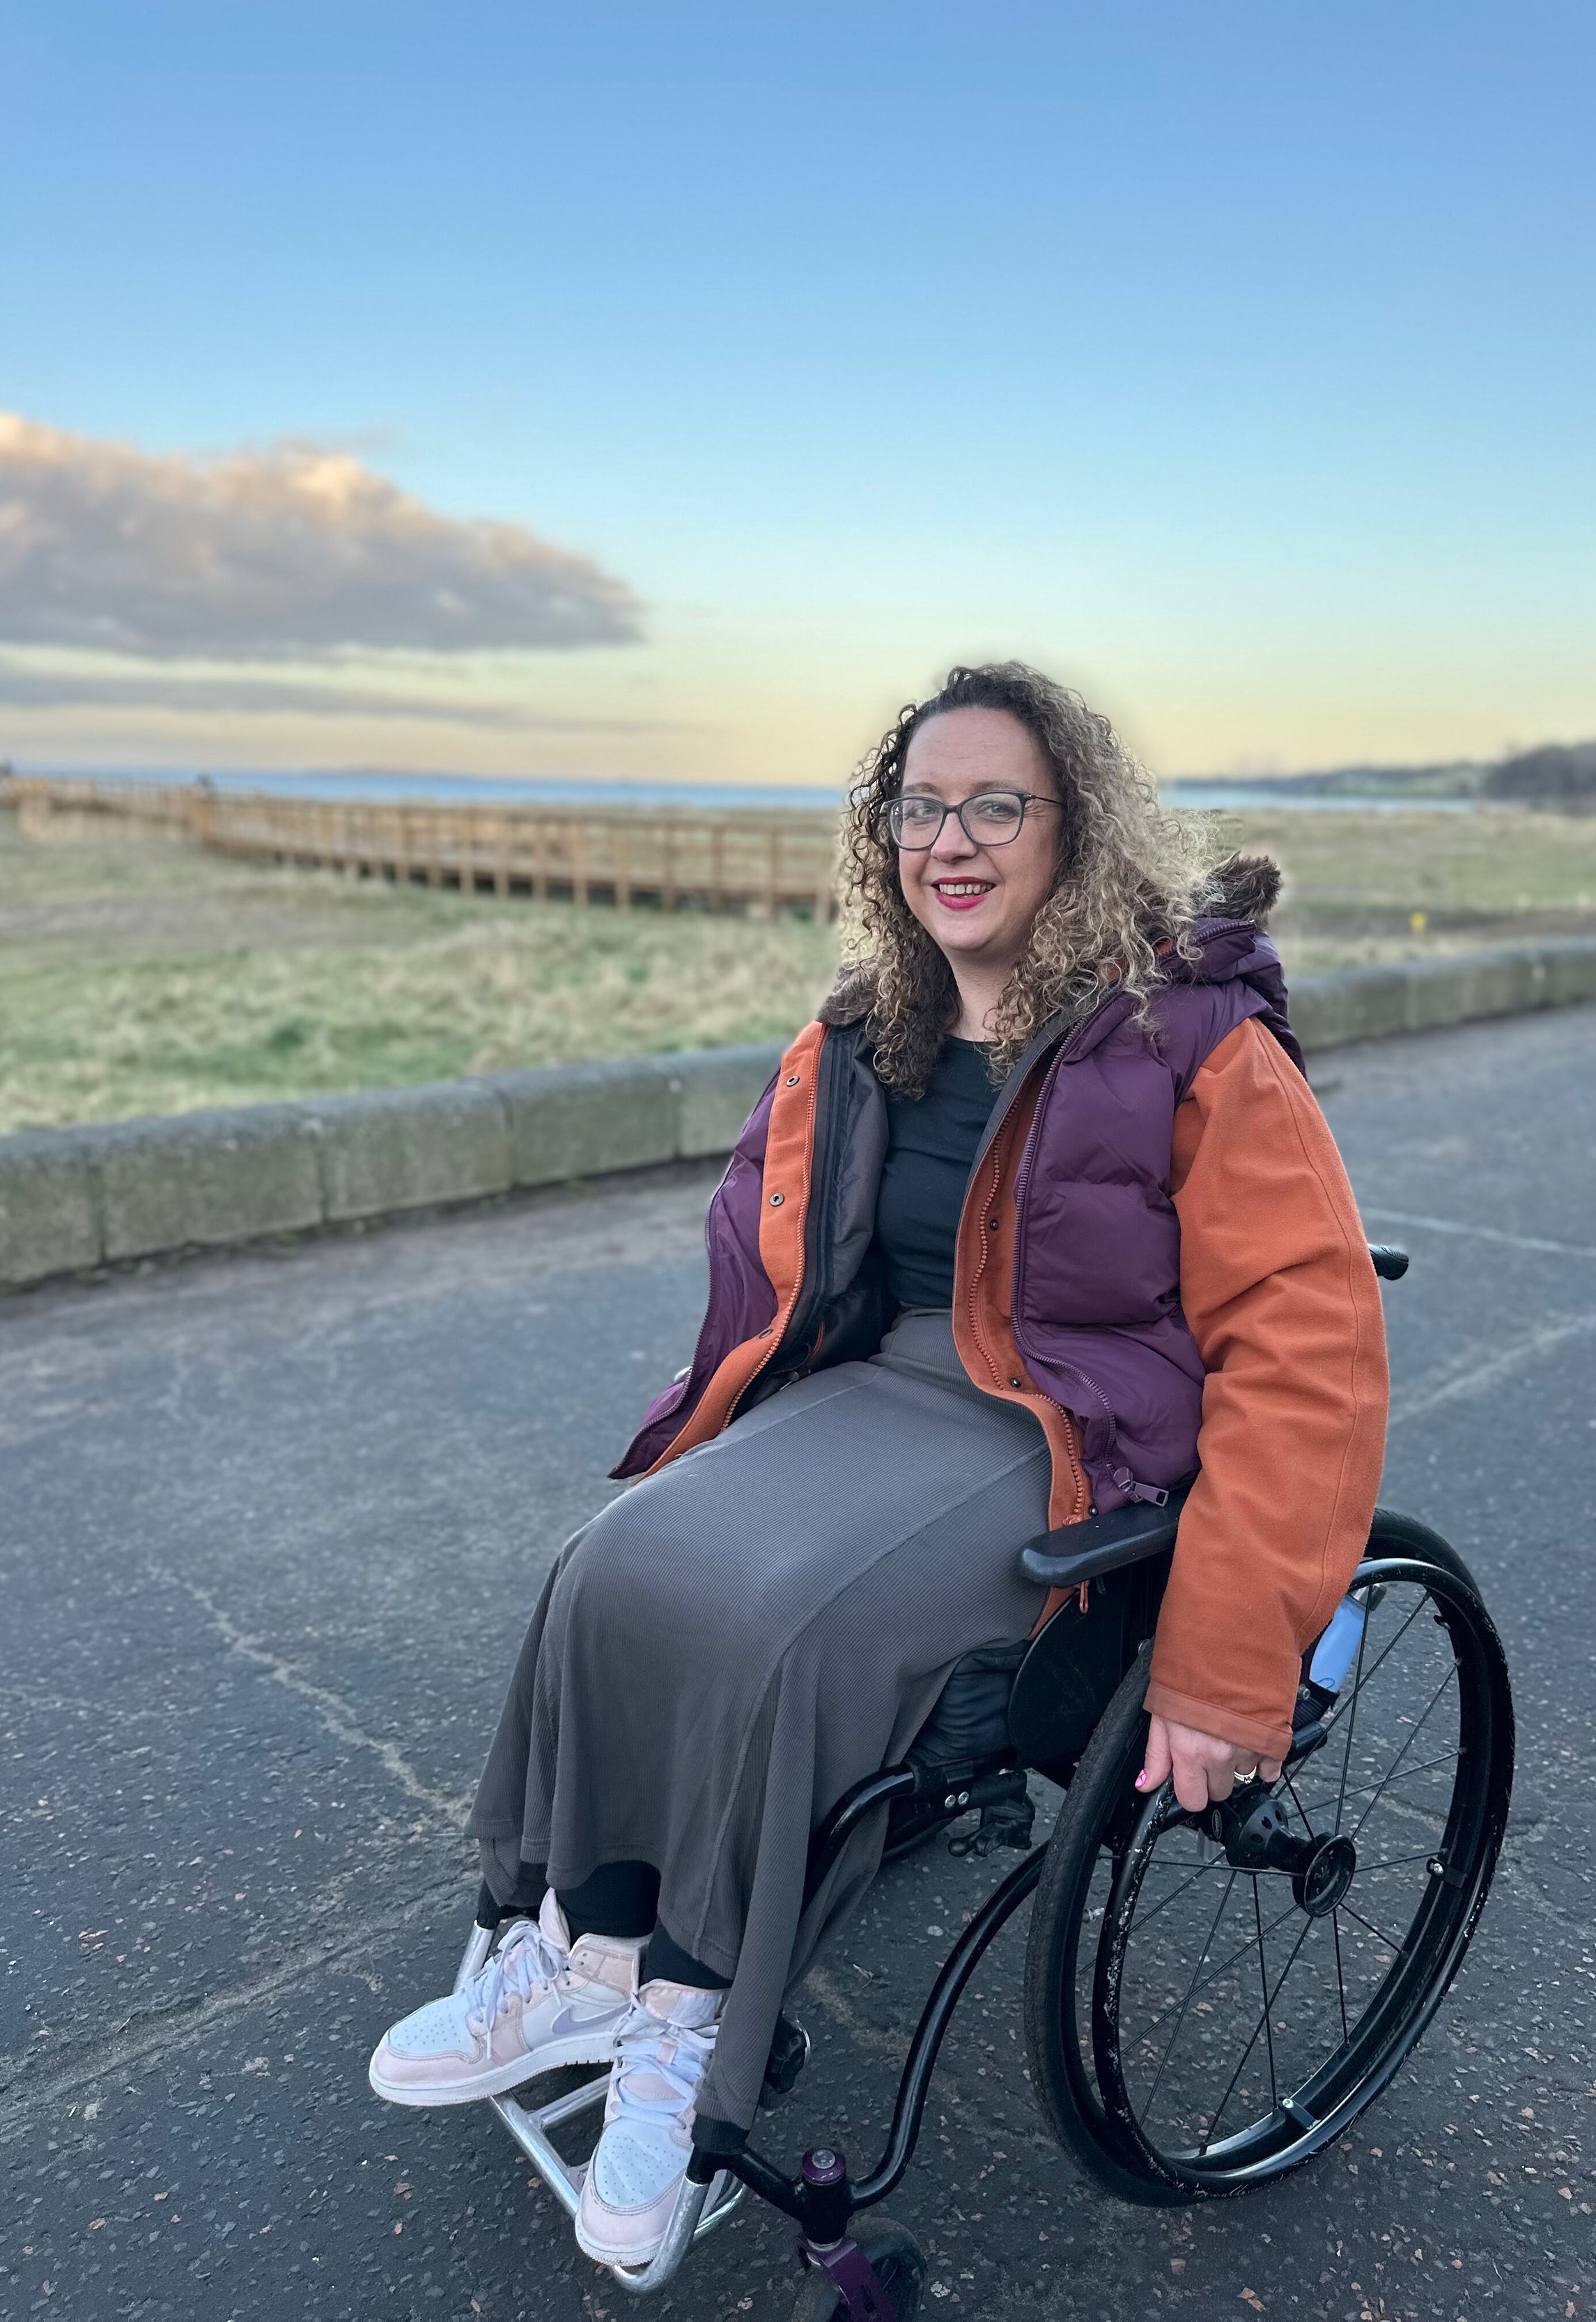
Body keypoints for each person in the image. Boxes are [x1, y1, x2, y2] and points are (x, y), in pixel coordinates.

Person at [366, 663, 1388, 2270]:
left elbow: (1308, 1347)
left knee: (787, 1621)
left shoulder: (1184, 1042)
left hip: (1066, 1432)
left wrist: (1226, 1658)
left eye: (996, 804)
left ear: (1076, 826)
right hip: (874, 1390)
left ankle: (692, 2016)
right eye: (919, 806)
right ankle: (580, 1947)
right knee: (615, 1561)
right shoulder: (863, 1026)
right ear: (880, 831)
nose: (950, 840)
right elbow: (771, 1251)